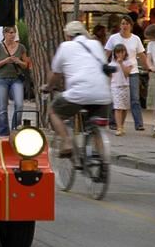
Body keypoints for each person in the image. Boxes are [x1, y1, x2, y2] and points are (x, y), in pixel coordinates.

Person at [42, 21, 112, 157]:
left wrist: (48, 87)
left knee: (53, 111)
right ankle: (102, 159)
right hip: (102, 94)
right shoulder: (96, 45)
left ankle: (67, 141)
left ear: (68, 35)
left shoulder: (65, 46)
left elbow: (56, 73)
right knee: (96, 123)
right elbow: (105, 68)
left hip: (78, 93)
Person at [105, 15, 147, 131]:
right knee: (115, 97)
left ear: (131, 26)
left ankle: (138, 123)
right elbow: (107, 53)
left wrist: (148, 67)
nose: (125, 26)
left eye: (127, 23)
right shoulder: (113, 38)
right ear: (120, 25)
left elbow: (142, 55)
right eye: (123, 23)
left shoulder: (136, 39)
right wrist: (103, 66)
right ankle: (113, 122)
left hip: (132, 71)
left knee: (134, 98)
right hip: (116, 72)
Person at [0, 25, 30, 136]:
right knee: (2, 107)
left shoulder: (21, 47)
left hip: (16, 79)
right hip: (2, 79)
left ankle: (15, 130)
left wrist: (18, 62)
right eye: (10, 33)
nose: (12, 35)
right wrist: (5, 61)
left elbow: (26, 64)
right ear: (4, 34)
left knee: (19, 105)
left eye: (13, 33)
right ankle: (4, 133)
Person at [110, 44, 133, 137]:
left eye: (122, 52)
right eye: (117, 52)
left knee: (124, 108)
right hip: (115, 86)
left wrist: (121, 63)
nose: (120, 54)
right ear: (114, 53)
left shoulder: (128, 62)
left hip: (125, 86)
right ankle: (118, 127)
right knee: (118, 107)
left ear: (125, 52)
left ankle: (122, 125)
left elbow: (127, 74)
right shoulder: (111, 64)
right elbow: (109, 76)